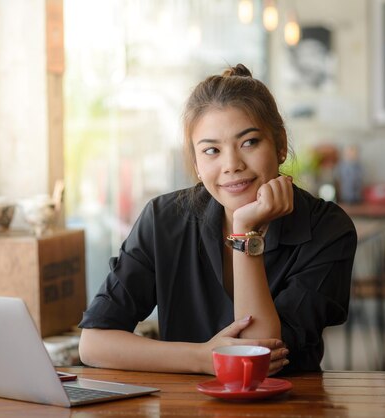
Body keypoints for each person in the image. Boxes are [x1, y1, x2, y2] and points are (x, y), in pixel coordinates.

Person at [78, 64, 357, 375]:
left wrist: (245, 231)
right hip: (185, 407)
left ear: (279, 145)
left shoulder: (327, 229)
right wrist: (202, 357)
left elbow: (258, 357)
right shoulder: (163, 220)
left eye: (249, 142)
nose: (231, 164)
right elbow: (94, 343)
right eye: (212, 150)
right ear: (197, 163)